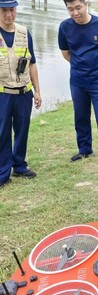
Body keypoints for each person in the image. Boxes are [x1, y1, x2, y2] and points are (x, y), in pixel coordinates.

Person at [58, 0, 98, 169]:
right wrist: (80, 67)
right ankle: (85, 149)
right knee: (80, 116)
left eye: (78, 8)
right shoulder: (65, 27)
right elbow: (65, 53)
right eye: (70, 9)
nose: (75, 13)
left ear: (86, 4)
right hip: (77, 81)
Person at [0, 0, 42, 190]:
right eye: (4, 11)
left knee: (22, 129)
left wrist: (37, 90)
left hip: (24, 92)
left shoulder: (25, 33)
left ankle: (19, 165)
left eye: (12, 10)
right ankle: (3, 172)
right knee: (2, 133)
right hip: (3, 94)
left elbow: (32, 63)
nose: (9, 15)